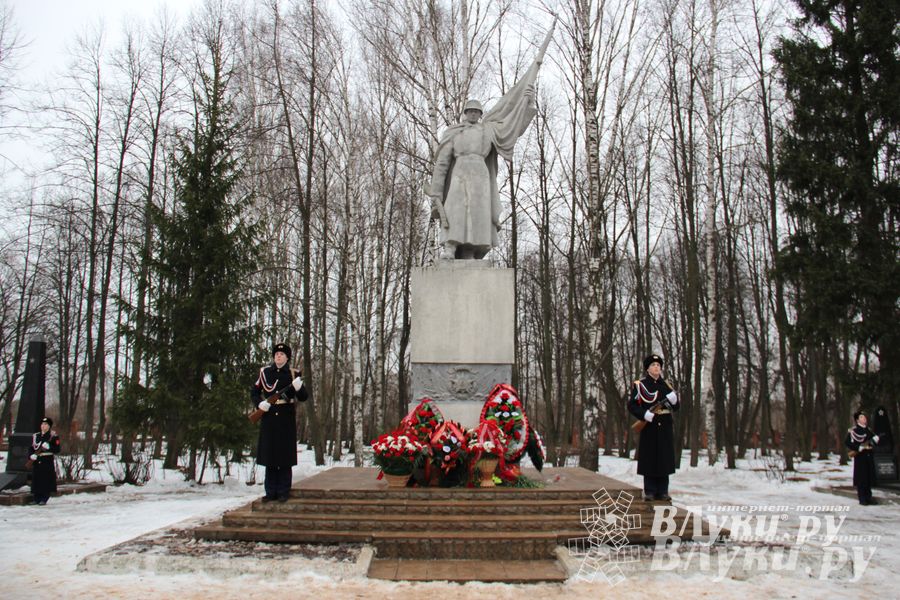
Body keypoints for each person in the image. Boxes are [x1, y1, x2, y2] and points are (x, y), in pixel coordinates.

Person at [426, 21, 555, 260]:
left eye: (476, 111)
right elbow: (443, 163)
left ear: (480, 114)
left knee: (477, 213)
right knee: (455, 211)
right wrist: (435, 191)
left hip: (480, 176)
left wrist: (528, 103)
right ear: (464, 113)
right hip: (459, 173)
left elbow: (513, 128)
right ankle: (450, 247)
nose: (473, 114)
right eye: (469, 111)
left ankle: (472, 251)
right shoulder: (454, 133)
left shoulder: (488, 131)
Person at [251, 342, 307, 502]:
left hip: (285, 418)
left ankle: (283, 491)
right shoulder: (265, 372)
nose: (278, 356)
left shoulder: (293, 373)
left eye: (281, 354)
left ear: (287, 357)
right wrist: (259, 404)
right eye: (276, 354)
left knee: (284, 457)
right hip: (269, 417)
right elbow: (254, 391)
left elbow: (303, 397)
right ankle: (270, 492)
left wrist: (298, 387)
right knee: (270, 456)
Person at [627, 354, 679, 501]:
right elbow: (632, 405)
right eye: (653, 365)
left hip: (665, 426)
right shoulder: (641, 385)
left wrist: (674, 401)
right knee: (650, 457)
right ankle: (649, 490)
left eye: (658, 365)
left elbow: (676, 407)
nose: (656, 367)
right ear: (648, 369)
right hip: (649, 425)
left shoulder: (666, 385)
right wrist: (644, 414)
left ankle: (663, 490)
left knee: (664, 458)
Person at [845, 410, 880, 505]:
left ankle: (868, 497)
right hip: (860, 457)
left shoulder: (869, 430)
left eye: (864, 417)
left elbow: (872, 441)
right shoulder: (854, 431)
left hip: (869, 456)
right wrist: (858, 447)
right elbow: (848, 442)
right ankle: (862, 498)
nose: (864, 418)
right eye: (861, 417)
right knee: (862, 478)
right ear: (857, 420)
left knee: (868, 477)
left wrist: (875, 440)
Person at [30, 417, 61, 505]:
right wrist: (31, 455)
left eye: (46, 424)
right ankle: (36, 498)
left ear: (49, 426)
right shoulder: (36, 436)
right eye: (42, 424)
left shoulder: (53, 436)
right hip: (37, 460)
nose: (43, 426)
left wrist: (49, 448)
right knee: (37, 479)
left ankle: (44, 498)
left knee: (45, 479)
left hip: (47, 460)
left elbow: (57, 449)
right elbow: (31, 448)